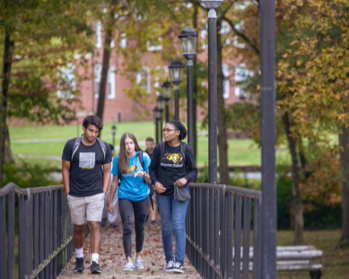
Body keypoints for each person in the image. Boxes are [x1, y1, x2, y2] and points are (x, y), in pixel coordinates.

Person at [62, 115, 112, 274]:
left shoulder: (104, 147)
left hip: (95, 193)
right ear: (84, 129)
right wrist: (67, 191)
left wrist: (103, 192)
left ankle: (95, 262)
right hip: (75, 194)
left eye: (96, 132)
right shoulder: (72, 145)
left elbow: (107, 172)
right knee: (78, 227)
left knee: (95, 225)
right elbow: (65, 169)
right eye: (91, 130)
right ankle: (79, 258)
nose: (93, 134)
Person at [149, 121, 198, 273]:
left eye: (168, 130)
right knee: (166, 227)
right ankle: (169, 260)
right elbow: (152, 169)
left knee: (178, 224)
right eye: (164, 130)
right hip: (163, 193)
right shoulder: (160, 148)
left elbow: (194, 171)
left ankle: (179, 262)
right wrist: (155, 183)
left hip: (179, 193)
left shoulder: (185, 149)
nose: (165, 133)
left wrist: (185, 179)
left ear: (177, 132)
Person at [108, 132, 152, 271]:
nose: (129, 146)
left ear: (135, 143)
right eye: (126, 143)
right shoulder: (118, 159)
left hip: (142, 196)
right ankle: (128, 260)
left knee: (140, 227)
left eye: (131, 143)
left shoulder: (143, 157)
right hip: (125, 195)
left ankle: (138, 256)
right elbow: (114, 181)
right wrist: (110, 202)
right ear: (123, 145)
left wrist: (144, 174)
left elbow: (151, 179)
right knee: (127, 226)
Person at [101, 144, 118, 228]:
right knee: (103, 202)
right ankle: (103, 217)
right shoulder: (101, 160)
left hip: (113, 183)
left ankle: (112, 220)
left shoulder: (115, 160)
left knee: (114, 202)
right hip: (103, 184)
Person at [144, 137, 159, 227]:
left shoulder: (156, 154)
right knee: (146, 200)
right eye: (148, 144)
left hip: (154, 179)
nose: (149, 146)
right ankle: (146, 215)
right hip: (145, 179)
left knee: (153, 200)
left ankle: (153, 219)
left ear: (153, 144)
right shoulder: (142, 154)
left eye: (150, 144)